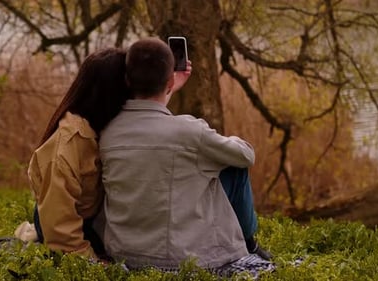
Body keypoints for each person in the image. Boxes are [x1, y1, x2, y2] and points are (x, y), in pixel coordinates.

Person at [96, 38, 275, 277]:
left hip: (124, 253)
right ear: (170, 80)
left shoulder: (107, 132)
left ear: (127, 80)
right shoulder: (190, 132)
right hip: (180, 258)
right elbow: (245, 156)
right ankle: (250, 245)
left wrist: (167, 88)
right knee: (232, 167)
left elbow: (152, 128)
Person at [24, 48, 130, 262]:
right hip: (66, 224)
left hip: (88, 219)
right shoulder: (66, 147)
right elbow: (60, 227)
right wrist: (91, 261)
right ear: (113, 92)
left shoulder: (100, 126)